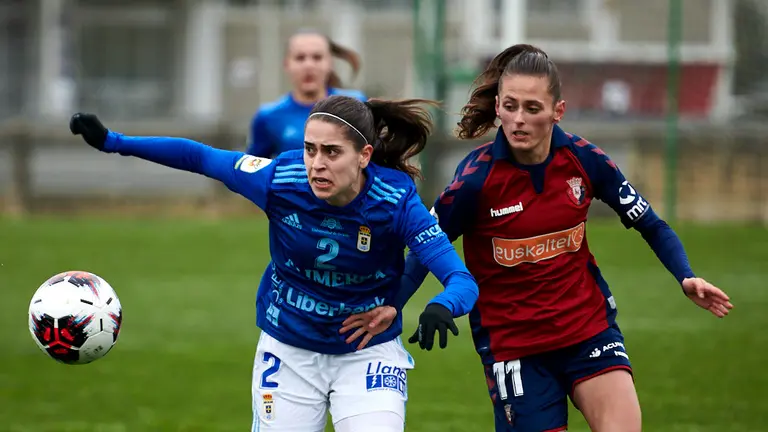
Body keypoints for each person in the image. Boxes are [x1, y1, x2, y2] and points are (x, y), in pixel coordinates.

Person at [342, 44, 733, 432]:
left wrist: (685, 275)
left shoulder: (584, 160)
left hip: (588, 330)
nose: (518, 120)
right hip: (515, 347)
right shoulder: (475, 181)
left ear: (556, 111)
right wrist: (393, 305)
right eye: (509, 106)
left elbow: (651, 224)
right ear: (497, 107)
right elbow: (423, 251)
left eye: (532, 108)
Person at [69, 94, 478, 432]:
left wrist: (443, 305)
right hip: (288, 349)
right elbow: (198, 156)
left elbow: (460, 278)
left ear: (364, 156)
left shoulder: (397, 204)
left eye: (332, 152)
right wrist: (113, 141)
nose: (316, 163)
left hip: (366, 353)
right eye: (310, 149)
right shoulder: (280, 180)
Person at [246, 29, 366, 158]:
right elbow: (253, 170)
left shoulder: (356, 105)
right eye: (300, 58)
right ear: (287, 64)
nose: (309, 65)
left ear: (330, 63)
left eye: (317, 57)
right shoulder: (268, 117)